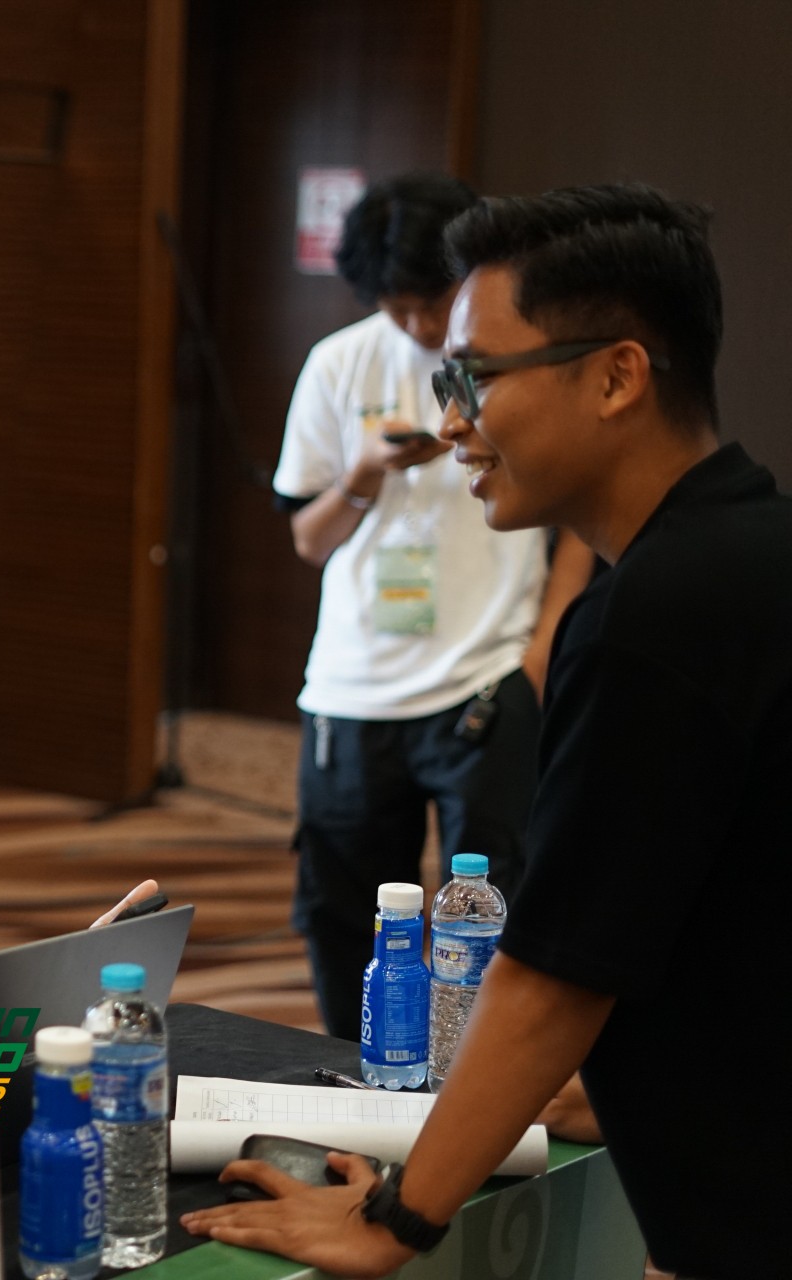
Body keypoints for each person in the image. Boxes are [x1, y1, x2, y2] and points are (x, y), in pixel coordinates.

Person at [182, 184, 790, 1278]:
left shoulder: (655, 614)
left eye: (475, 377)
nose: (453, 419)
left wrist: (393, 1219)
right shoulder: (749, 544)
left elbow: (555, 974)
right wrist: (620, 1081)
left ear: (617, 376)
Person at [272, 173, 594, 1038]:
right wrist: (363, 474)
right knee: (345, 917)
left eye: (432, 301)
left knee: (497, 915)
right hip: (353, 690)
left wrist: (537, 659)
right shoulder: (339, 363)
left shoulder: (513, 364)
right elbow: (308, 539)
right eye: (397, 307)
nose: (417, 325)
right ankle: (357, 1077)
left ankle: (474, 1085)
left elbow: (578, 517)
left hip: (484, 682)